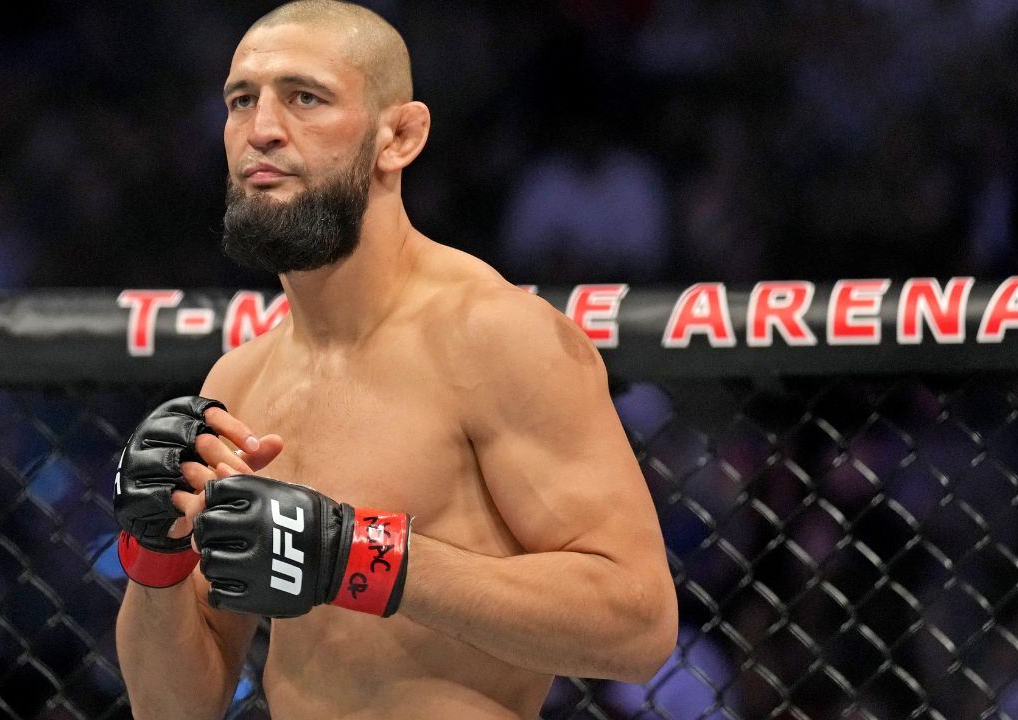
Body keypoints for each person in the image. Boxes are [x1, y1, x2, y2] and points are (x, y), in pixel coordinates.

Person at [113, 2, 677, 718]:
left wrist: (357, 556)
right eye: (241, 101)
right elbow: (174, 709)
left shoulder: (494, 335)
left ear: (400, 136)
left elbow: (640, 626)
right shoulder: (241, 380)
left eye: (305, 97)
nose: (261, 130)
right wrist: (155, 553)